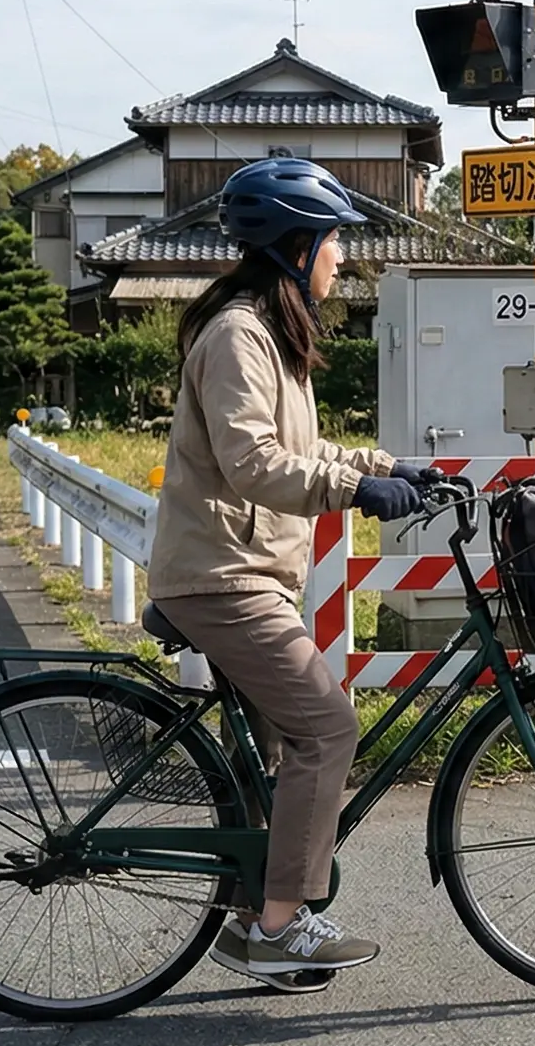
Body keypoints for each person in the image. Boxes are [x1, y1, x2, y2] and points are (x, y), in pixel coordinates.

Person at [146, 157, 432, 987]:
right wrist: (356, 490)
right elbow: (253, 465)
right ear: (296, 245)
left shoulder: (267, 333)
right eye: (334, 238)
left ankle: (250, 921)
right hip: (222, 576)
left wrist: (393, 469)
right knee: (328, 727)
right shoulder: (239, 333)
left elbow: (300, 451)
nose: (341, 255)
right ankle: (280, 925)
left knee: (278, 757)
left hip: (243, 572)